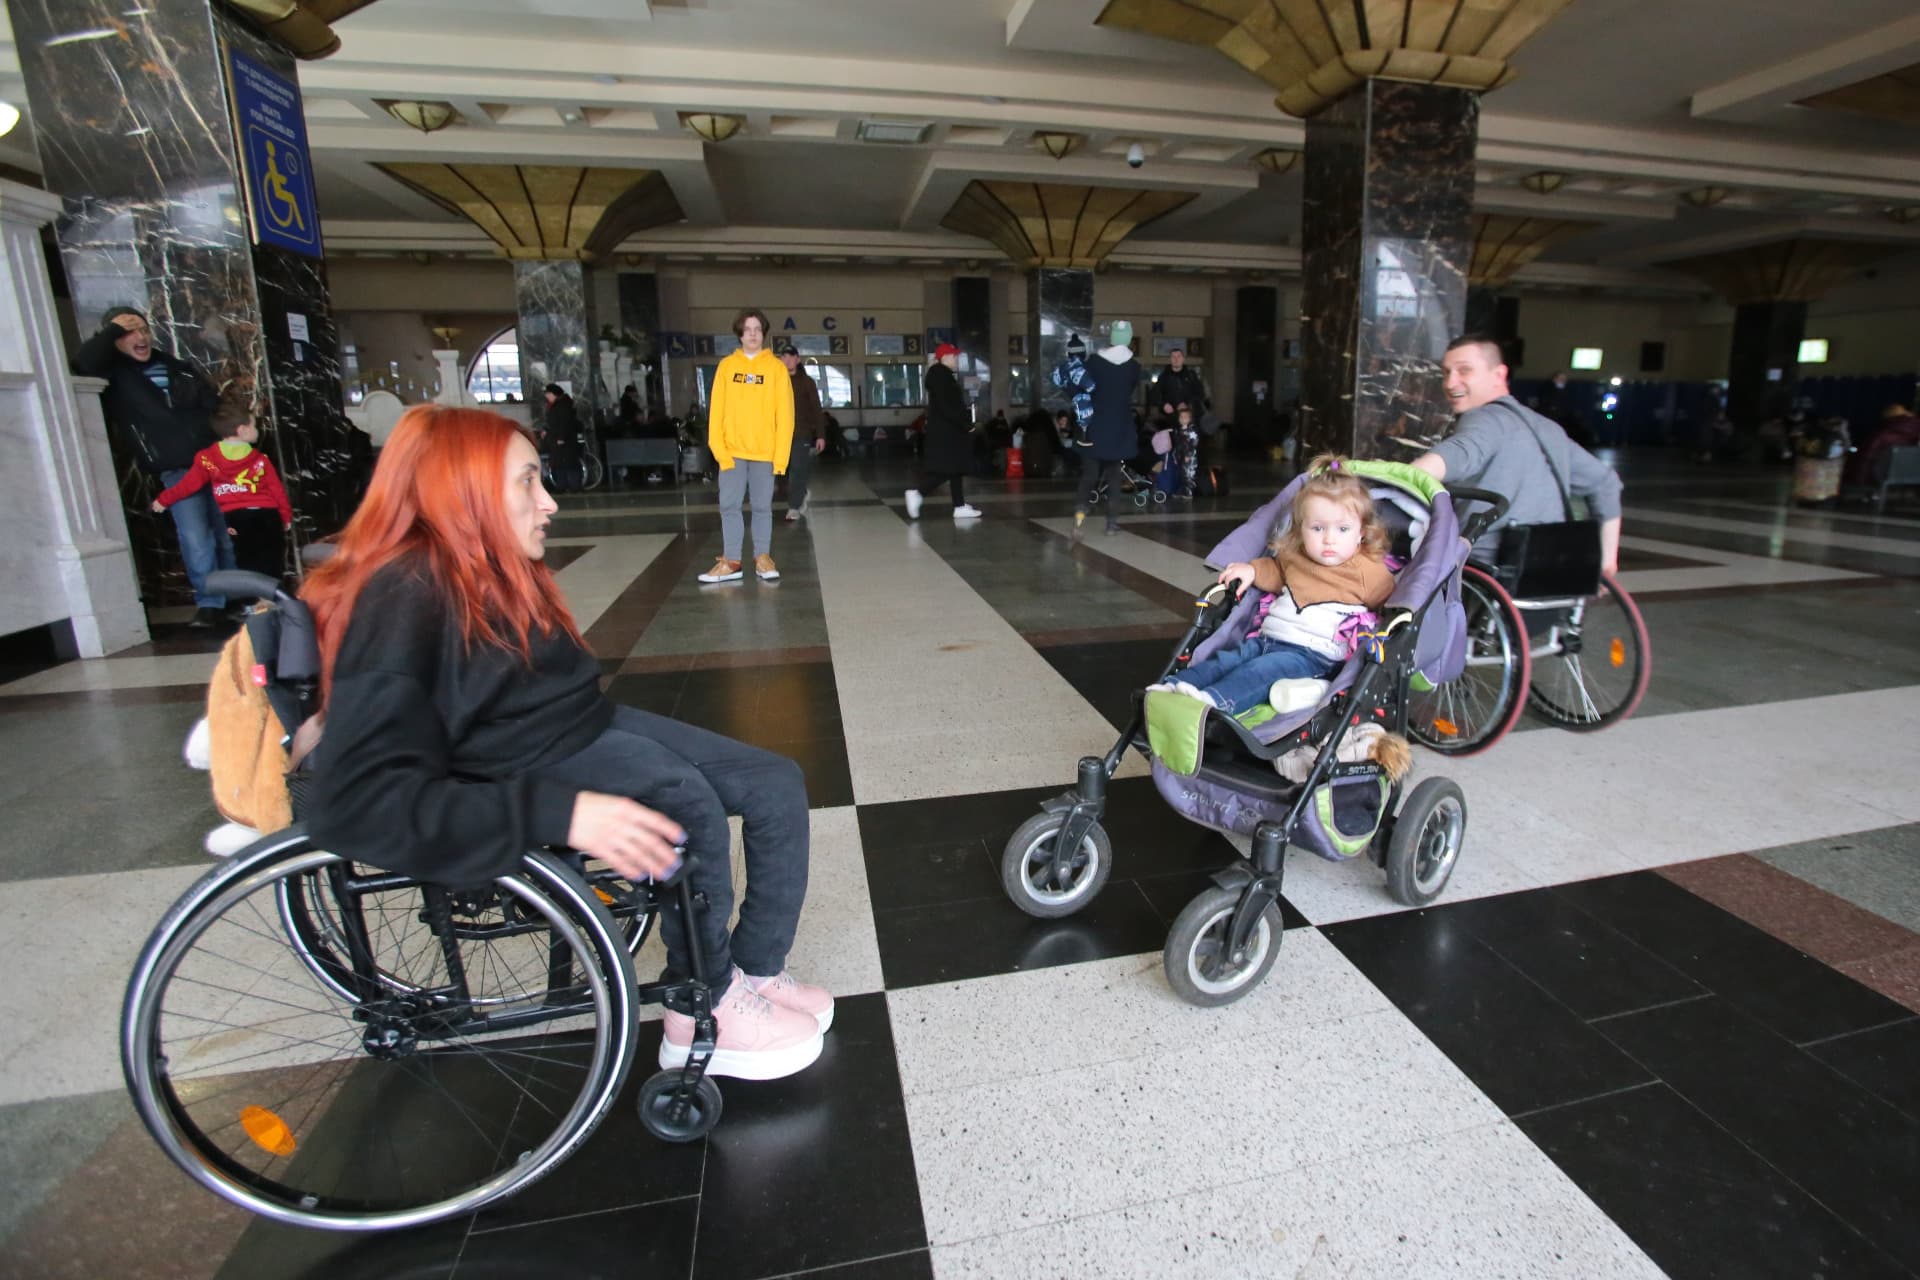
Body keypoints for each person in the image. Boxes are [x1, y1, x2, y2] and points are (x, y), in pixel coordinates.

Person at [304, 405, 830, 1081]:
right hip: (520, 755)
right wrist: (564, 813)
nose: (549, 502)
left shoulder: (479, 567)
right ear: (460, 489)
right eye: (527, 482)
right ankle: (700, 1008)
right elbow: (356, 798)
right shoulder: (405, 592)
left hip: (573, 723)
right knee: (687, 802)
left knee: (775, 780)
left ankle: (754, 971)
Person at [1154, 456, 1394, 717]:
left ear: (1361, 534)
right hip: (1266, 640)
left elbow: (1392, 600)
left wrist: (1398, 616)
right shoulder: (1294, 557)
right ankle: (1174, 687)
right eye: (1317, 528)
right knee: (1226, 661)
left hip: (1312, 656)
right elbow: (1274, 570)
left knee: (1258, 673)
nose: (1329, 539)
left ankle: (1211, 702)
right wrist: (1252, 569)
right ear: (1301, 529)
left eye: (1343, 529)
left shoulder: (1365, 571)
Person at [71, 305, 235, 626]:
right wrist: (111, 331)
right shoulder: (115, 373)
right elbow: (82, 364)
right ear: (114, 338)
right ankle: (211, 602)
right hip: (176, 467)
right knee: (195, 536)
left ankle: (237, 594)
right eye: (128, 331)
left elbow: (213, 406)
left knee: (226, 532)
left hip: (215, 462)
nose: (140, 336)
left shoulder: (178, 368)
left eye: (143, 329)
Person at [1412, 335, 1623, 576]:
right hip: (1550, 573)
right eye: (1446, 373)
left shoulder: (1483, 418)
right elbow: (1605, 482)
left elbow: (1461, 451)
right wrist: (1606, 562)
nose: (1450, 383)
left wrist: (1404, 476)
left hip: (1483, 572)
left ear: (1499, 375)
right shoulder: (1548, 428)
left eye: (1464, 371)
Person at [150, 400, 291, 582]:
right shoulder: (259, 459)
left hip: (235, 518)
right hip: (266, 515)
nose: (257, 430)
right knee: (271, 559)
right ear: (242, 430)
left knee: (244, 560)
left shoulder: (208, 459)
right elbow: (276, 489)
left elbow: (187, 485)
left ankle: (252, 602)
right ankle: (274, 599)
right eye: (254, 425)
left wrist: (163, 500)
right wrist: (285, 516)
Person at [701, 309, 793, 583]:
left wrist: (781, 458)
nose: (753, 333)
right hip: (732, 452)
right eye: (748, 329)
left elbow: (785, 416)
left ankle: (763, 558)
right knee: (729, 506)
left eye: (757, 329)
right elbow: (716, 411)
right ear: (740, 334)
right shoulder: (727, 367)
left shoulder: (776, 369)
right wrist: (719, 450)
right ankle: (731, 562)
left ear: (763, 334)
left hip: (764, 453)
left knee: (762, 506)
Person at [1054, 320, 1142, 539]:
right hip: (1119, 428)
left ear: (1112, 338)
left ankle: (1079, 516)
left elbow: (1080, 386)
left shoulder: (1094, 361)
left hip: (1093, 429)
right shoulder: (1134, 367)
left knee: (1089, 474)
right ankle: (1112, 524)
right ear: (1129, 338)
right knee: (1113, 477)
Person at [904, 342, 982, 520]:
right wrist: (965, 424)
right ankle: (918, 493)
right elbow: (948, 406)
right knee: (949, 469)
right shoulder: (942, 377)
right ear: (945, 358)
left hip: (948, 430)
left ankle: (959, 506)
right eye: (954, 356)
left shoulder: (941, 375)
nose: (956, 359)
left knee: (955, 468)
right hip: (948, 431)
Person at [777, 340, 827, 522]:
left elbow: (817, 409)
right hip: (780, 436)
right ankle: (802, 493)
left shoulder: (807, 382)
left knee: (798, 470)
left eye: (791, 357)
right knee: (783, 471)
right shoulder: (776, 382)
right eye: (784, 357)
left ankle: (794, 506)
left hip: (801, 434)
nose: (787, 360)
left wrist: (820, 435)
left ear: (797, 360)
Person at [540, 384, 584, 493]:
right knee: (560, 464)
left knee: (568, 464)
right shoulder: (557, 405)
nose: (547, 397)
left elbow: (565, 423)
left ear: (554, 394)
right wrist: (546, 430)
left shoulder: (562, 406)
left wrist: (561, 437)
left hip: (564, 441)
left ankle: (574, 486)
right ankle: (562, 485)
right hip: (558, 440)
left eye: (548, 394)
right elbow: (553, 422)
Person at [1152, 347, 1208, 421]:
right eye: (1173, 357)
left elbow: (1201, 394)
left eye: (1179, 356)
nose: (1176, 359)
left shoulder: (1191, 376)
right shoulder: (1164, 377)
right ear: (1170, 359)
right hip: (1171, 417)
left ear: (1183, 359)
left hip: (1191, 418)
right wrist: (1164, 405)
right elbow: (1154, 395)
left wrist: (1186, 404)